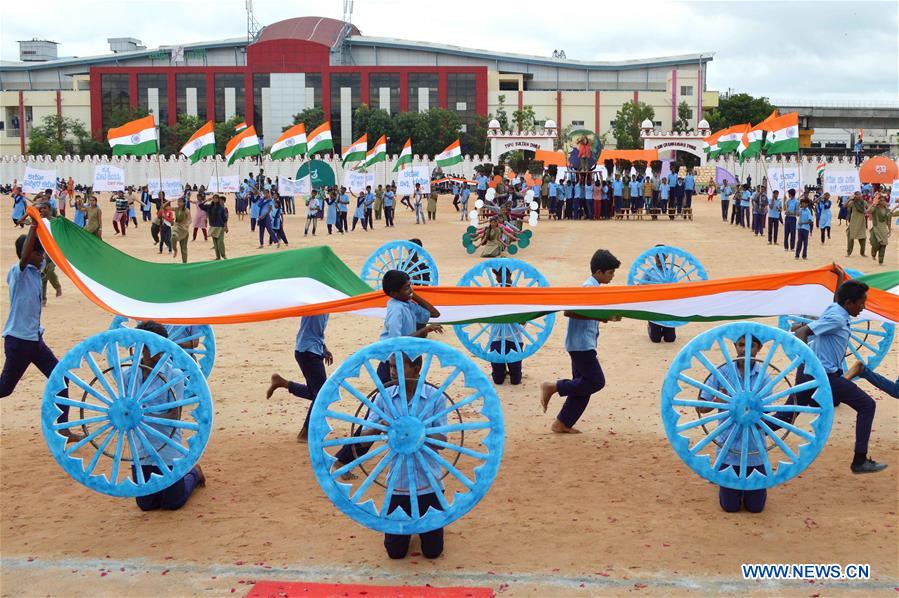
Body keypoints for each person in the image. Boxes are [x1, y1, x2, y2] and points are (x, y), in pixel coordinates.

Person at [792, 280, 886, 474]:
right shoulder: (837, 318)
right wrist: (810, 362)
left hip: (809, 374)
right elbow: (802, 332)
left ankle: (748, 433)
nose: (863, 308)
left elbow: (837, 296)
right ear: (849, 302)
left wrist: (840, 276)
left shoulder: (836, 307)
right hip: (824, 376)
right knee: (867, 405)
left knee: (785, 416)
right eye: (861, 303)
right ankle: (859, 461)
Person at [1, 224, 78, 437]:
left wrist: (45, 221)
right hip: (19, 341)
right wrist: (34, 225)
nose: (41, 256)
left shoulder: (37, 268)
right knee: (5, 388)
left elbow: (49, 251)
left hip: (34, 341)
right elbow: (25, 256)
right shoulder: (18, 273)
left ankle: (63, 429)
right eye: (37, 252)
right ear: (27, 254)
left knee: (61, 379)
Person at [539, 249, 620, 433]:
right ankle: (553, 387)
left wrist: (602, 317)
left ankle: (562, 423)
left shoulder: (593, 288)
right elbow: (569, 311)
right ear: (599, 272)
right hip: (581, 345)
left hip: (581, 343)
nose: (612, 276)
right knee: (596, 381)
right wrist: (601, 317)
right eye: (610, 272)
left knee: (583, 386)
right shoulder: (588, 288)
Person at [129, 320, 206, 510]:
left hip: (168, 448)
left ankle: (194, 473)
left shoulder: (175, 376)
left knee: (173, 503)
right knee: (146, 505)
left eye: (161, 347)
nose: (157, 353)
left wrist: (141, 416)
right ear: (141, 348)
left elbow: (174, 417)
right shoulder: (128, 375)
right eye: (151, 347)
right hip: (141, 449)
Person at [696, 335, 768, 513]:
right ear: (735, 346)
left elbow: (764, 418)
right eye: (741, 345)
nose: (745, 350)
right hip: (728, 450)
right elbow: (701, 407)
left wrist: (750, 412)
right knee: (730, 507)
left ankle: (746, 490)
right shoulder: (721, 372)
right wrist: (717, 401)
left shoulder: (763, 377)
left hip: (754, 450)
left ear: (759, 348)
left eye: (751, 346)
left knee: (756, 508)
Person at [266, 314, 334, 441]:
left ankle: (282, 383)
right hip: (308, 352)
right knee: (321, 394)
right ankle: (305, 432)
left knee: (316, 393)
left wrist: (323, 348)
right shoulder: (315, 304)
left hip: (311, 350)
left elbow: (316, 331)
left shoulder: (325, 307)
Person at [867, 192, 899, 265]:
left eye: (884, 200)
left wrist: (889, 230)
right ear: (878, 201)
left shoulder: (887, 210)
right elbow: (868, 211)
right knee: (875, 244)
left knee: (883, 244)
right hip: (876, 229)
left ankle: (881, 261)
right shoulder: (875, 209)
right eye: (881, 200)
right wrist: (873, 204)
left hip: (883, 230)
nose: (883, 202)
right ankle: (873, 253)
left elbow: (889, 220)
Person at [200, 194, 229, 260]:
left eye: (216, 198)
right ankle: (218, 257)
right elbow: (200, 206)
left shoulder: (221, 208)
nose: (215, 199)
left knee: (220, 242)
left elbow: (224, 219)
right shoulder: (209, 206)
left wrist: (226, 227)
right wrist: (206, 200)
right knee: (215, 243)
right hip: (213, 226)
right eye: (214, 198)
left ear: (218, 199)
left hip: (220, 227)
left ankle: (224, 256)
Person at [846, 192, 868, 257]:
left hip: (861, 223)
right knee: (850, 238)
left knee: (863, 238)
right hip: (853, 223)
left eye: (860, 195)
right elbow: (845, 206)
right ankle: (848, 253)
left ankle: (862, 253)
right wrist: (850, 199)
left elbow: (867, 209)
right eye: (857, 195)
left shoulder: (864, 202)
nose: (859, 196)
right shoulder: (852, 203)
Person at [171, 197, 190, 263]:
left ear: (184, 203)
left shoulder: (186, 210)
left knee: (183, 248)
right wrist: (169, 201)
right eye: (178, 201)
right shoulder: (176, 209)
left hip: (184, 230)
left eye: (180, 202)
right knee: (173, 237)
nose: (178, 203)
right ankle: (175, 250)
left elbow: (189, 219)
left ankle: (185, 263)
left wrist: (187, 224)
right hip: (177, 228)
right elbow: (163, 207)